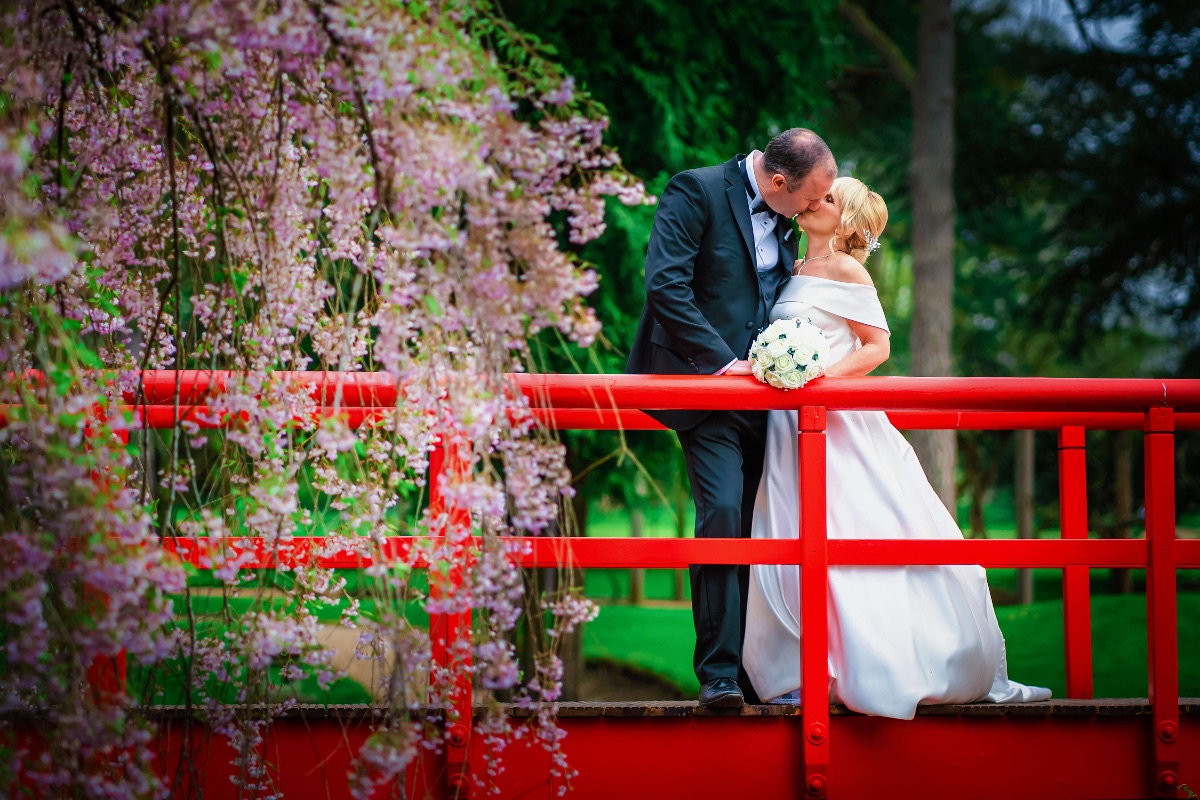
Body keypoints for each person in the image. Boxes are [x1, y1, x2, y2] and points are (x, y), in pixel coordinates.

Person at [741, 176, 1052, 718]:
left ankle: (872, 663)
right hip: (786, 429)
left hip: (835, 426)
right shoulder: (792, 267)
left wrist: (817, 380)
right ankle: (802, 667)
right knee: (790, 534)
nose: (816, 201)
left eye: (829, 199)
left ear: (847, 223)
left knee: (849, 531)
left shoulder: (847, 270)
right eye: (818, 194)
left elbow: (877, 347)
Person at [626, 129, 837, 707]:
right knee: (721, 513)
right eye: (811, 199)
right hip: (707, 389)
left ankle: (757, 672)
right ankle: (719, 675)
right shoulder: (694, 191)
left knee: (764, 528)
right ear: (776, 182)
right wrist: (724, 364)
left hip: (772, 403)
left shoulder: (788, 215)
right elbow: (665, 286)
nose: (816, 208)